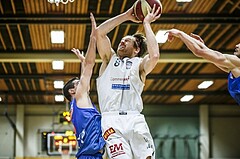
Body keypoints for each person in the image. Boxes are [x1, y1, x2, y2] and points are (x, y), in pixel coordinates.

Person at [95, 4, 161, 159]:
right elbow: (99, 33)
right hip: (111, 120)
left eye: (127, 41)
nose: (122, 42)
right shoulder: (108, 59)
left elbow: (155, 56)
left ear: (136, 49)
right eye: (121, 40)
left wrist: (146, 24)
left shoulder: (140, 65)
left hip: (134, 118)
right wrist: (126, 15)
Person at [62, 13, 105, 159]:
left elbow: (84, 83)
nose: (81, 83)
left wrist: (82, 62)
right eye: (77, 83)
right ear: (73, 90)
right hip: (90, 156)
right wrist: (94, 37)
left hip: (88, 155)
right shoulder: (79, 97)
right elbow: (90, 65)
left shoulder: (77, 104)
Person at [167, 28, 240, 105]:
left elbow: (199, 51)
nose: (237, 45)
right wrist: (203, 46)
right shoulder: (234, 67)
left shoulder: (237, 63)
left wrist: (179, 33)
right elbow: (212, 58)